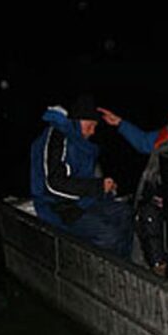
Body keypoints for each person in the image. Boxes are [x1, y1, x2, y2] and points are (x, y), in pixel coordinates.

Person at [98, 97, 168, 276]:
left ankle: (160, 269)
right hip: (154, 194)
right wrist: (120, 123)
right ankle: (145, 268)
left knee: (150, 218)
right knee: (141, 218)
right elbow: (144, 142)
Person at [29, 93, 133, 258]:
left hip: (82, 201)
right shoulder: (57, 137)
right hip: (58, 207)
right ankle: (94, 270)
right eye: (90, 126)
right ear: (77, 121)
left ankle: (125, 267)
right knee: (108, 235)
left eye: (95, 127)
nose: (92, 132)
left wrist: (105, 187)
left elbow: (84, 177)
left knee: (126, 213)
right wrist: (97, 186)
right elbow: (53, 184)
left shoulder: (79, 141)